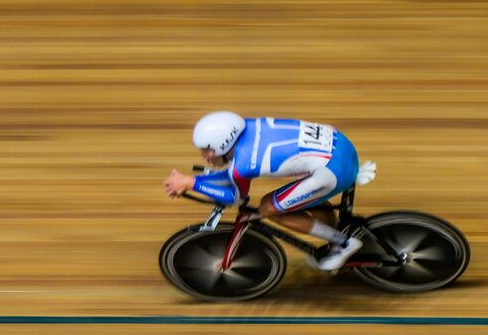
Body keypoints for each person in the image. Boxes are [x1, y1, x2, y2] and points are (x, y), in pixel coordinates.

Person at [161, 112, 377, 272]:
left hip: (333, 170)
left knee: (271, 208)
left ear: (225, 143)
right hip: (341, 146)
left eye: (207, 150)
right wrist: (192, 180)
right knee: (302, 196)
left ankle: (344, 242)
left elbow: (235, 197)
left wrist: (192, 183)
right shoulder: (249, 126)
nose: (204, 156)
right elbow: (230, 175)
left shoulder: (244, 163)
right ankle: (338, 234)